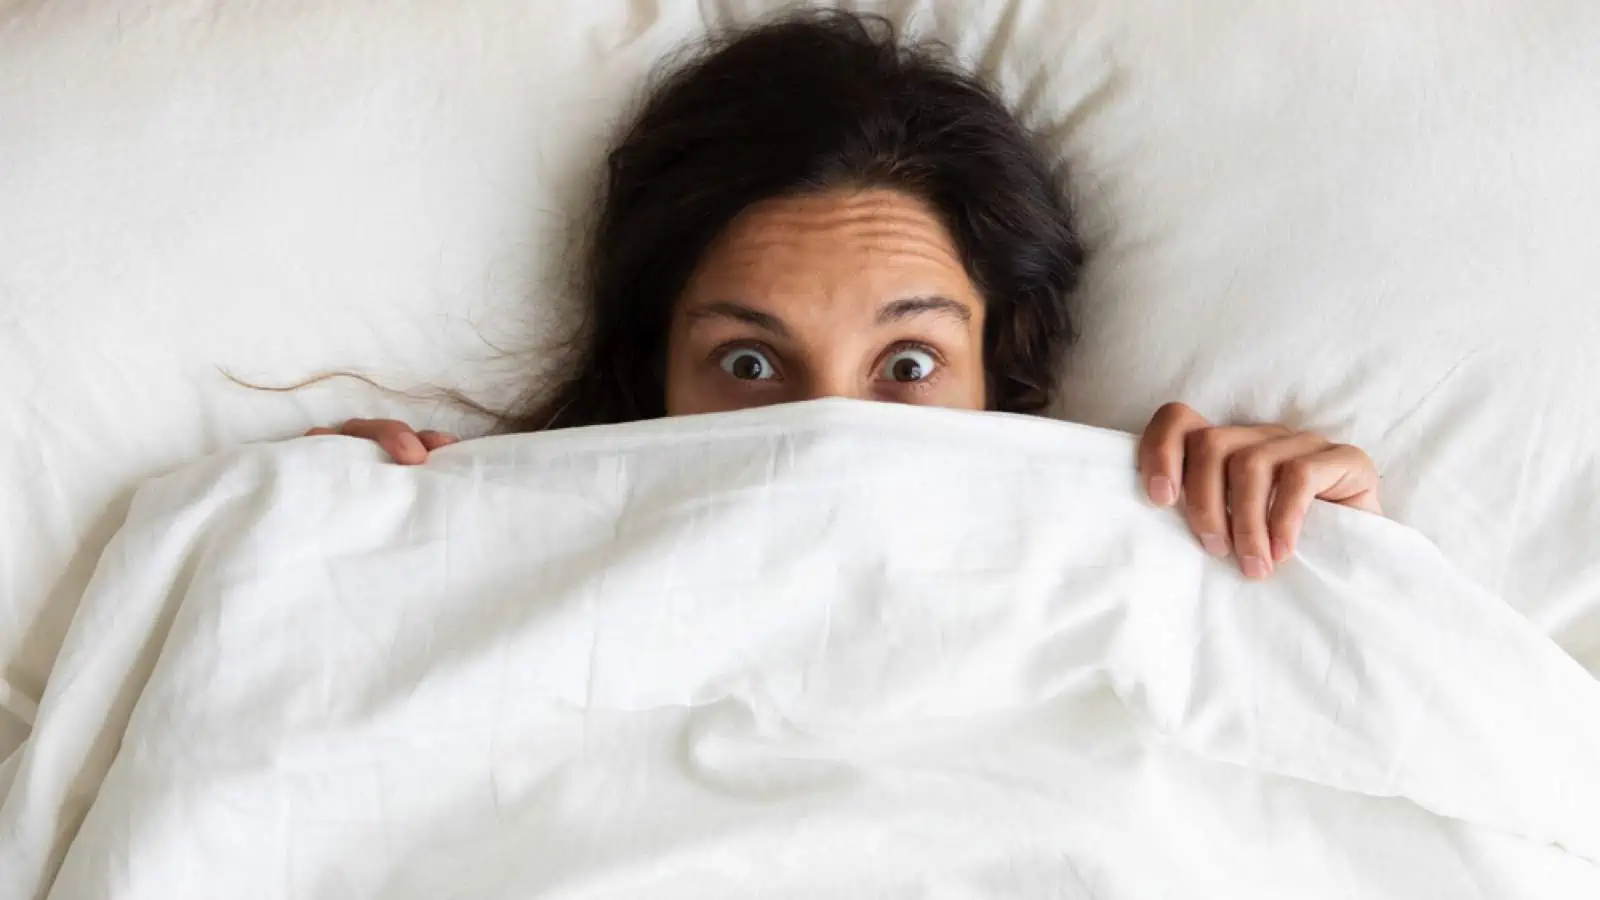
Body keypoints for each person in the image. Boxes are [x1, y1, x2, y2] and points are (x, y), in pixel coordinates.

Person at [307, 10, 1381, 579]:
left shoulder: (1134, 558)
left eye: (906, 366)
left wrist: (1329, 562)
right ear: (652, 377)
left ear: (993, 372)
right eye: (747, 363)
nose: (829, 431)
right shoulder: (511, 560)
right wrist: (353, 560)